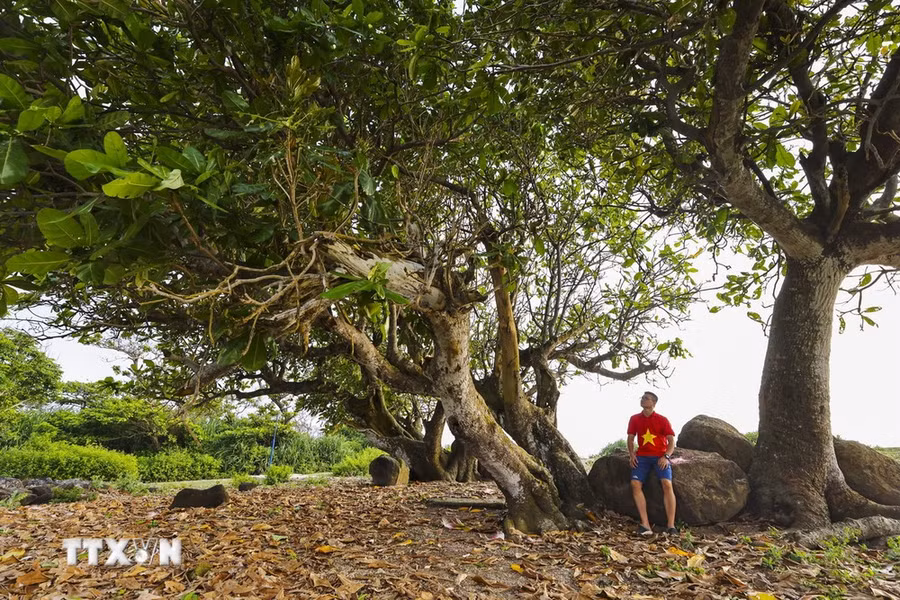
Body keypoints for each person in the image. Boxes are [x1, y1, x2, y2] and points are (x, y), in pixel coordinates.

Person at [627, 391, 677, 536]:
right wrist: (631, 455)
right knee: (635, 484)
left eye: (646, 398)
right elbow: (630, 439)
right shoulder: (634, 419)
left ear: (654, 403)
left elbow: (671, 441)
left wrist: (666, 456)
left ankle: (671, 526)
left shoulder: (662, 419)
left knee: (667, 484)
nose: (643, 400)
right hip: (642, 457)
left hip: (660, 456)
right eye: (642, 397)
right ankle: (645, 525)